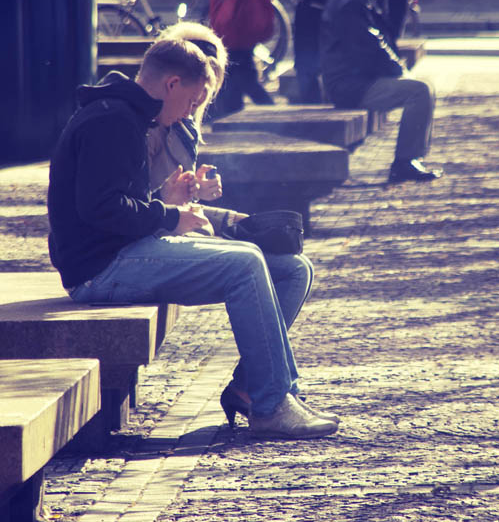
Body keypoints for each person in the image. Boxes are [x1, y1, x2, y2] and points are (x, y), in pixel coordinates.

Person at [47, 38, 338, 439]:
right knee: (246, 263)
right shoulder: (112, 121)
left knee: (290, 269)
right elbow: (100, 210)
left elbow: (113, 203)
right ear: (171, 84)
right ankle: (271, 405)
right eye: (192, 100)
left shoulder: (127, 115)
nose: (190, 111)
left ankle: (254, 388)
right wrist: (169, 216)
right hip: (100, 269)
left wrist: (165, 199)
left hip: (122, 252)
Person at [320, 0, 441, 183]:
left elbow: (377, 43)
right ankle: (405, 162)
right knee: (419, 91)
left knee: (421, 87)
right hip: (350, 86)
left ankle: (410, 159)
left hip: (356, 81)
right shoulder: (348, 2)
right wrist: (399, 71)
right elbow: (369, 48)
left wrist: (397, 69)